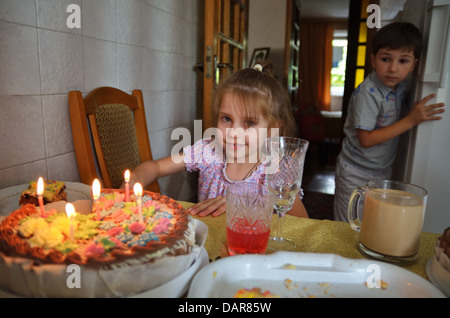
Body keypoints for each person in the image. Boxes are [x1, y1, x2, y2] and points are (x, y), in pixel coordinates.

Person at [126, 62, 309, 218]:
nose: (233, 133)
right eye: (227, 119)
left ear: (273, 129)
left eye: (249, 122)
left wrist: (243, 207)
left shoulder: (274, 169)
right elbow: (156, 167)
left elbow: (303, 221)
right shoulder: (208, 151)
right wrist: (134, 179)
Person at [333, 22, 445, 222]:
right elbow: (365, 139)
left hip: (381, 169)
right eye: (386, 59)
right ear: (373, 61)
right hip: (355, 170)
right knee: (348, 222)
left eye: (403, 61)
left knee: (371, 221)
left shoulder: (398, 87)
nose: (393, 68)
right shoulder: (368, 93)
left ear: (414, 65)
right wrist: (411, 120)